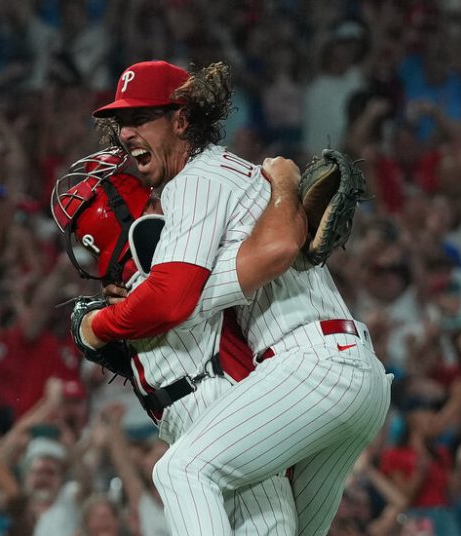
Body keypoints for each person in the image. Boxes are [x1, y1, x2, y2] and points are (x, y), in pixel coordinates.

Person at [76, 60, 392, 535]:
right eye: (122, 122)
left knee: (181, 471)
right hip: (357, 374)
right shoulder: (233, 174)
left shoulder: (194, 180)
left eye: (140, 119)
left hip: (311, 363)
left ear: (181, 120)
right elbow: (220, 278)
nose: (125, 133)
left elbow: (171, 299)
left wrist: (97, 326)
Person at [52, 148, 303, 533]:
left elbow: (90, 332)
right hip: (207, 419)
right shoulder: (163, 278)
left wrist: (94, 321)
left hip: (218, 410)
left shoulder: (150, 285)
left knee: (180, 473)